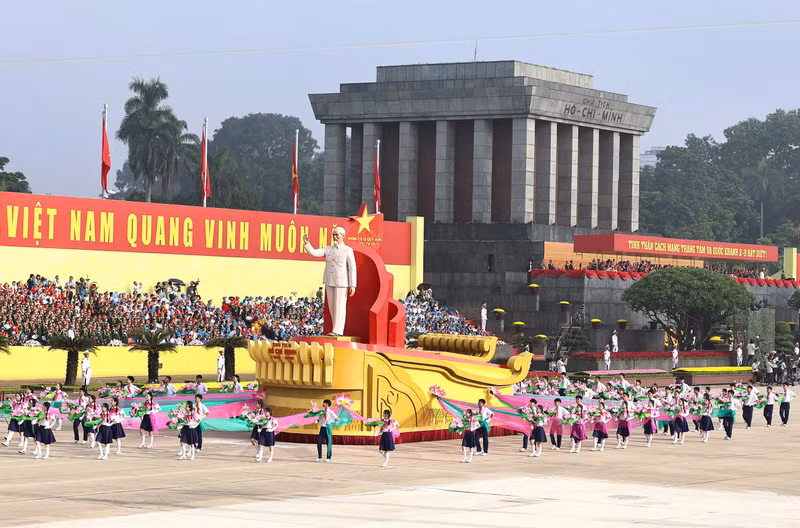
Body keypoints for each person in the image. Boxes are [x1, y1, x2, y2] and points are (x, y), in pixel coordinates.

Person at [303, 227, 357, 336]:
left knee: (339, 306)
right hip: (329, 280)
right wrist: (307, 244)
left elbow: (352, 268)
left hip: (341, 282)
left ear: (343, 236)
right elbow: (315, 253)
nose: (335, 237)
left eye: (337, 235)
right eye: (334, 234)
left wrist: (353, 285)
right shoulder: (328, 249)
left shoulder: (347, 250)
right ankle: (334, 329)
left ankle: (338, 330)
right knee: (332, 307)